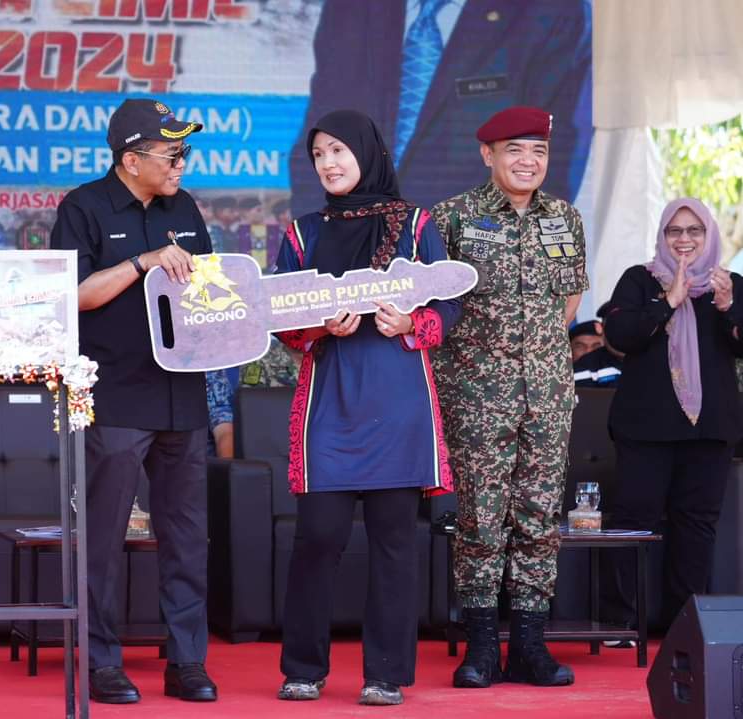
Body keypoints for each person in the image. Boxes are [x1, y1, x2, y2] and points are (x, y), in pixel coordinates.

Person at [274, 110, 459, 706]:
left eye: (338, 151)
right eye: (319, 154)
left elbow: (451, 303)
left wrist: (411, 323)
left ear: (367, 152)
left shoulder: (417, 225)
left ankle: (386, 674)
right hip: (330, 403)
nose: (328, 163)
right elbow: (279, 315)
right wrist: (317, 325)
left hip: (398, 404)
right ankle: (303, 668)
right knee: (318, 537)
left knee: (394, 543)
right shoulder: (302, 234)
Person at [49, 98, 218, 704]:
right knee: (104, 534)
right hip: (116, 393)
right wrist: (141, 263)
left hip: (182, 393)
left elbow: (209, 288)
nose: (181, 164)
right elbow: (74, 294)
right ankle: (100, 660)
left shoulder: (184, 207)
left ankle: (187, 660)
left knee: (187, 536)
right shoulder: (84, 207)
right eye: (172, 154)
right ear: (130, 159)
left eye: (183, 153)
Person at [431, 106, 587, 688]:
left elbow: (569, 298)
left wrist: (537, 355)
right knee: (481, 518)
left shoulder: (564, 218)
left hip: (547, 393)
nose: (528, 162)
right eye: (515, 150)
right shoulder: (452, 217)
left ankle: (529, 646)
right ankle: (480, 649)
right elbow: (434, 303)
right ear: (487, 154)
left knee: (539, 517)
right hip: (476, 392)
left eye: (538, 151)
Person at [290, 0, 591, 216]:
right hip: (357, 255)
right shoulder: (351, 8)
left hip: (475, 261)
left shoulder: (550, 11)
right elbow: (321, 136)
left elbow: (547, 165)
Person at [600, 198, 743, 631]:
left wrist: (728, 307)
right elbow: (620, 335)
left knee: (696, 525)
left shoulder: (730, 284)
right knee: (632, 523)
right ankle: (620, 623)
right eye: (674, 231)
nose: (684, 239)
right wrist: (668, 301)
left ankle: (682, 627)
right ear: (662, 236)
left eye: (694, 230)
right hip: (646, 428)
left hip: (709, 430)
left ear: (708, 235)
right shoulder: (639, 280)